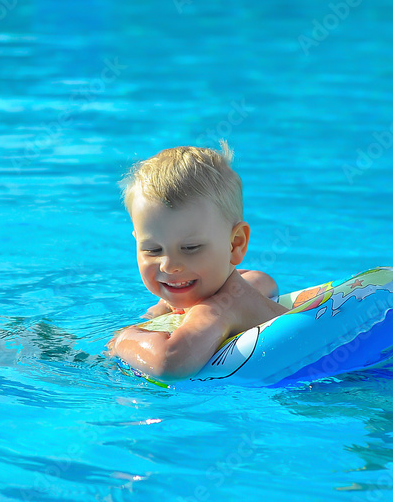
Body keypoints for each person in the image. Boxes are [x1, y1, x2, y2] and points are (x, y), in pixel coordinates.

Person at [105, 141, 289, 381]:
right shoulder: (239, 292)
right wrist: (164, 307)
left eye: (190, 248)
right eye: (152, 249)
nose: (169, 265)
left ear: (236, 244)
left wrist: (123, 339)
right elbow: (262, 280)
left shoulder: (217, 309)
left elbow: (170, 362)